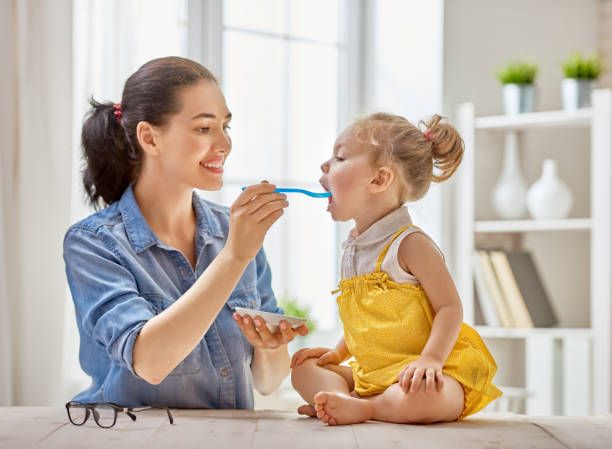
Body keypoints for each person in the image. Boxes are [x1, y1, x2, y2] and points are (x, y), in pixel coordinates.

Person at [63, 56, 307, 409]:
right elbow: (149, 362)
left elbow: (267, 382)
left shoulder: (233, 231)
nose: (224, 144)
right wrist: (234, 257)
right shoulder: (93, 243)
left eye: (226, 126)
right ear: (149, 137)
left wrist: (273, 346)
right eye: (204, 129)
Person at [290, 113, 502, 425]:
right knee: (303, 370)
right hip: (373, 375)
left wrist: (431, 360)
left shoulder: (411, 244)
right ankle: (343, 402)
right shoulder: (354, 248)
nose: (325, 165)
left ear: (379, 180)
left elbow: (450, 307)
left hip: (420, 374)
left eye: (339, 157)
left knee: (430, 397)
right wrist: (337, 354)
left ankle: (367, 408)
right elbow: (367, 320)